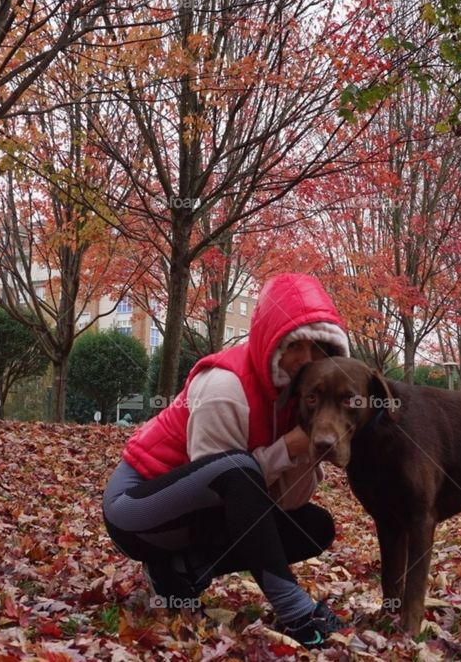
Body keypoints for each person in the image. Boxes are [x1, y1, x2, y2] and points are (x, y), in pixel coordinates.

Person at [102, 274, 349, 648]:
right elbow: (221, 493)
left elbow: (284, 503)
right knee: (237, 469)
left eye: (322, 348)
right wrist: (288, 447)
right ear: (273, 343)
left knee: (315, 526)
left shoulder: (299, 399)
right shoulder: (225, 388)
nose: (309, 360)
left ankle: (177, 572)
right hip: (136, 511)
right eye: (297, 344)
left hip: (193, 520)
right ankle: (297, 614)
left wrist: (304, 447)